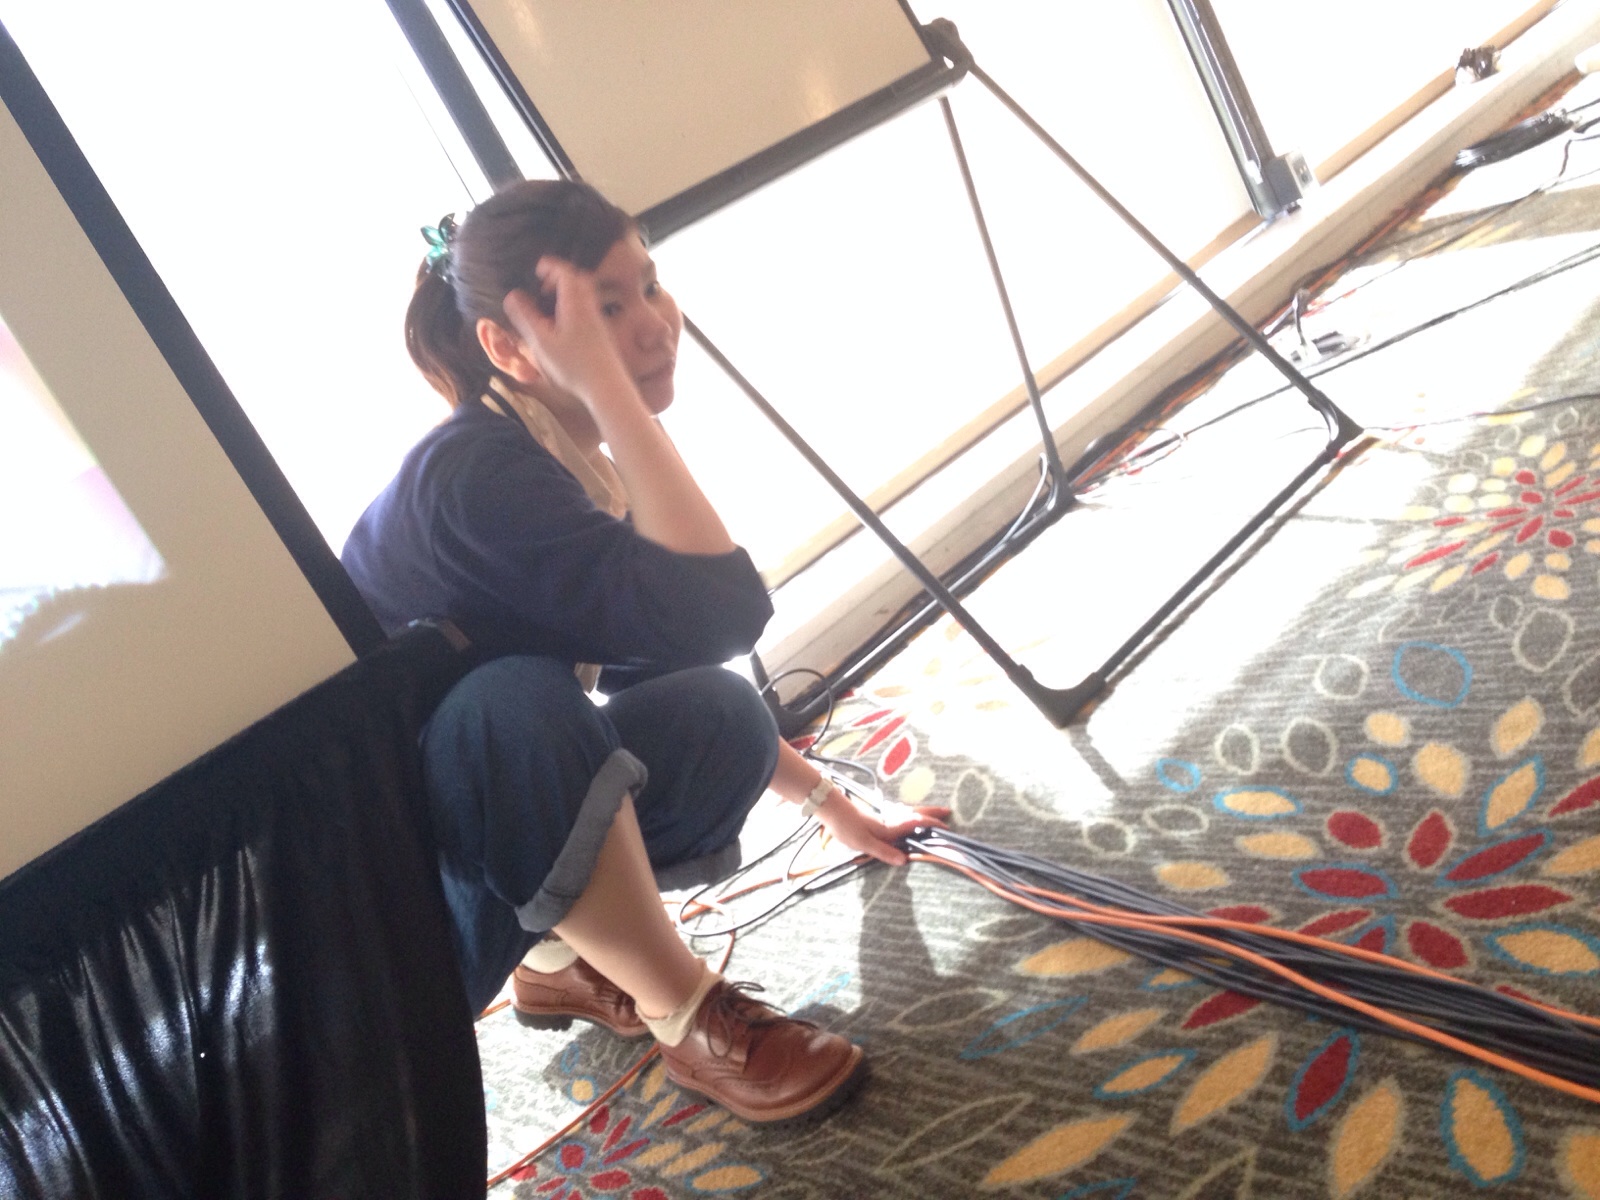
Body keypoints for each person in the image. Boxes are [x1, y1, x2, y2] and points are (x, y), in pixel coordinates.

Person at [340, 179, 947, 1124]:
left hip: (486, 830)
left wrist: (834, 808)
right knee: (516, 707)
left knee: (724, 716)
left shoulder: (560, 458)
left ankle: (555, 958)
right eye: (605, 311)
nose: (657, 324)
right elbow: (722, 607)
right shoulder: (476, 477)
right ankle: (688, 1016)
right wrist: (618, 396)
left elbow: (677, 652)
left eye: (649, 286)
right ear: (509, 348)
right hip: (399, 915)